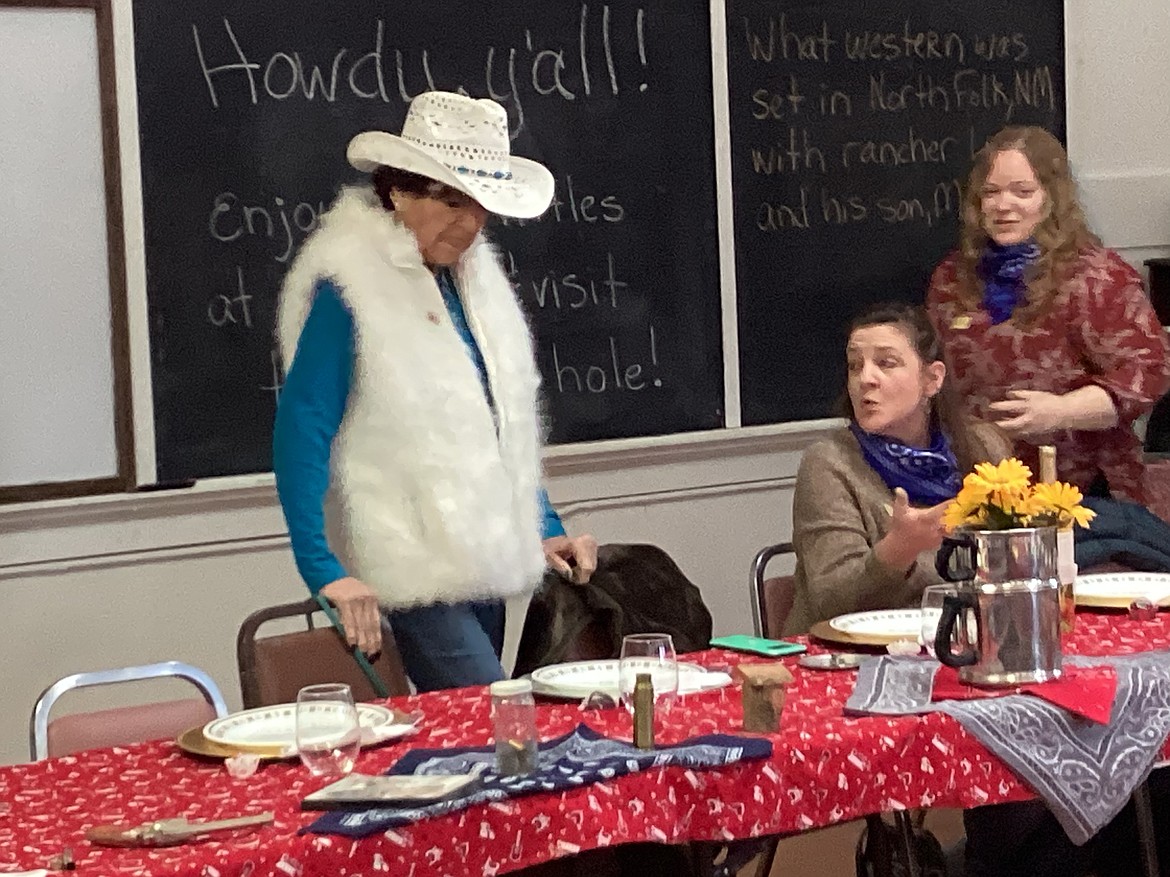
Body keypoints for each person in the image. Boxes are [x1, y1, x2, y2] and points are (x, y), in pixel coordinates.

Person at [273, 91, 598, 692]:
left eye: (480, 206)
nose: (468, 222)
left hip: (484, 557)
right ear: (398, 191)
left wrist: (544, 524)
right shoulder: (351, 282)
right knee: (494, 718)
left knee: (475, 738)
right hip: (406, 561)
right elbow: (302, 426)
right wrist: (324, 569)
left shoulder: (476, 281)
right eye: (450, 201)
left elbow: (501, 426)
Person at [927, 125, 1170, 506]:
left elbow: (1150, 373)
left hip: (1082, 492)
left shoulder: (1096, 277)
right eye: (991, 192)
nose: (1004, 205)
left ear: (1051, 198)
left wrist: (1060, 411)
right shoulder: (952, 278)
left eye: (1022, 191)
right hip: (979, 486)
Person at [784, 302, 1010, 635]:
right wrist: (898, 550)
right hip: (849, 656)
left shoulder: (983, 447)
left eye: (886, 363)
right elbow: (828, 603)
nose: (866, 379)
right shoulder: (830, 462)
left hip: (966, 641)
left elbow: (1011, 570)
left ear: (932, 379)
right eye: (854, 365)